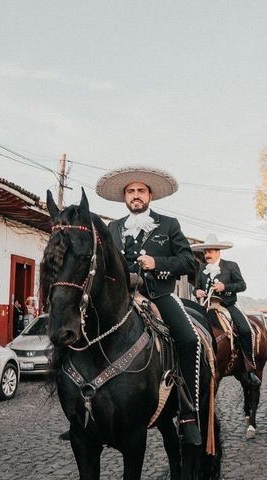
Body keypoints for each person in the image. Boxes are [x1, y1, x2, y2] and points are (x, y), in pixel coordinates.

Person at [96, 166, 202, 445]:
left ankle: (188, 410)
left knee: (190, 340)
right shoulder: (113, 228)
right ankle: (85, 414)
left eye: (140, 190)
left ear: (150, 196)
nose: (135, 195)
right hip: (120, 299)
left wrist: (159, 263)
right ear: (124, 198)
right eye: (130, 191)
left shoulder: (169, 225)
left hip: (159, 295)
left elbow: (189, 262)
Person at [191, 233, 261, 386]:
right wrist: (197, 292)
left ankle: (249, 368)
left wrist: (225, 287)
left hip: (228, 305)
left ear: (218, 251)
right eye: (205, 252)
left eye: (209, 251)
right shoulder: (202, 268)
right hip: (207, 307)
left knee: (245, 330)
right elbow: (196, 288)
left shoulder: (231, 266)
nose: (206, 255)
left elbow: (242, 285)